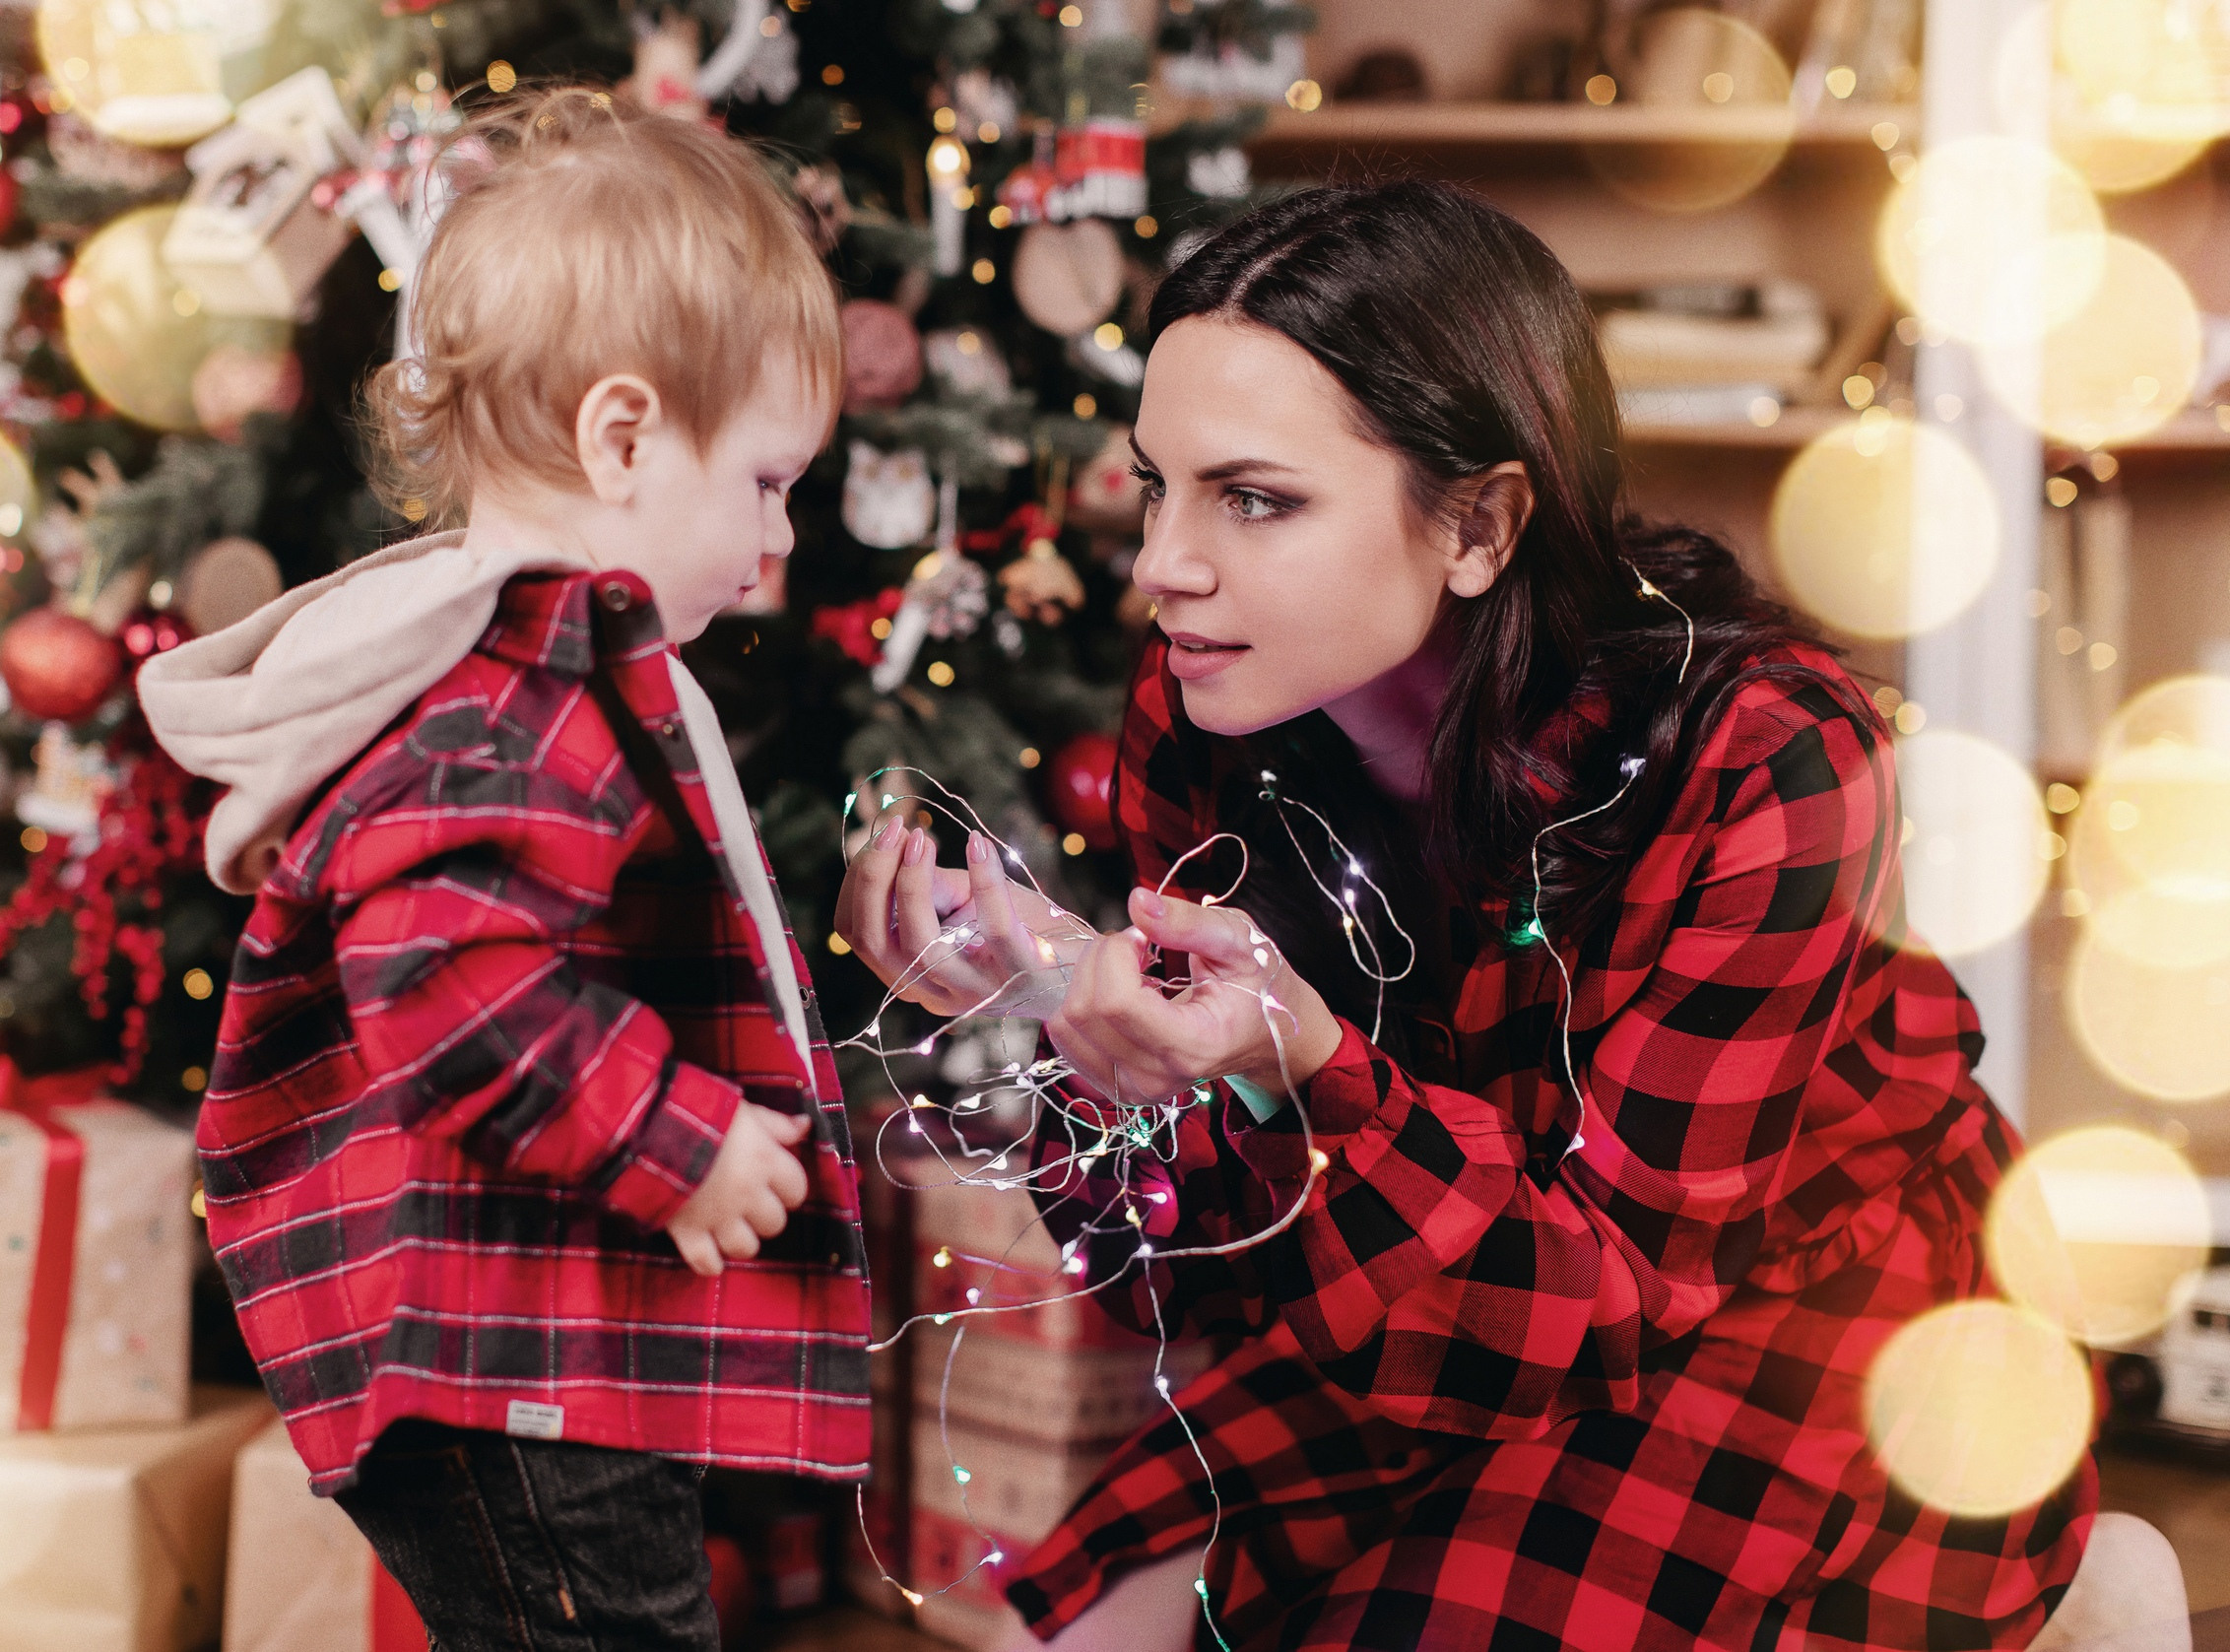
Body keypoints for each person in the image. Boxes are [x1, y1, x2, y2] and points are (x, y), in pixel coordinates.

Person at [835, 180, 2093, 1650]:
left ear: (1481, 523)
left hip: (1809, 1320)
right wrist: (1052, 1008)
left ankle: (2095, 1597)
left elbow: (1611, 1299)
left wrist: (1297, 1063)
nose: (1166, 563)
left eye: (1254, 497)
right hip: (1437, 1284)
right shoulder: (1207, 714)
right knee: (1071, 1628)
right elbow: (1200, 1275)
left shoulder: (1769, 752)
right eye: (1157, 484)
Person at [143, 85, 869, 1652]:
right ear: (622, 435)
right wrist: (677, 1139)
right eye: (763, 482)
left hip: (527, 1347)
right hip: (505, 1367)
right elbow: (446, 977)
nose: (783, 540)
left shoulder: (527, 667)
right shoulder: (518, 696)